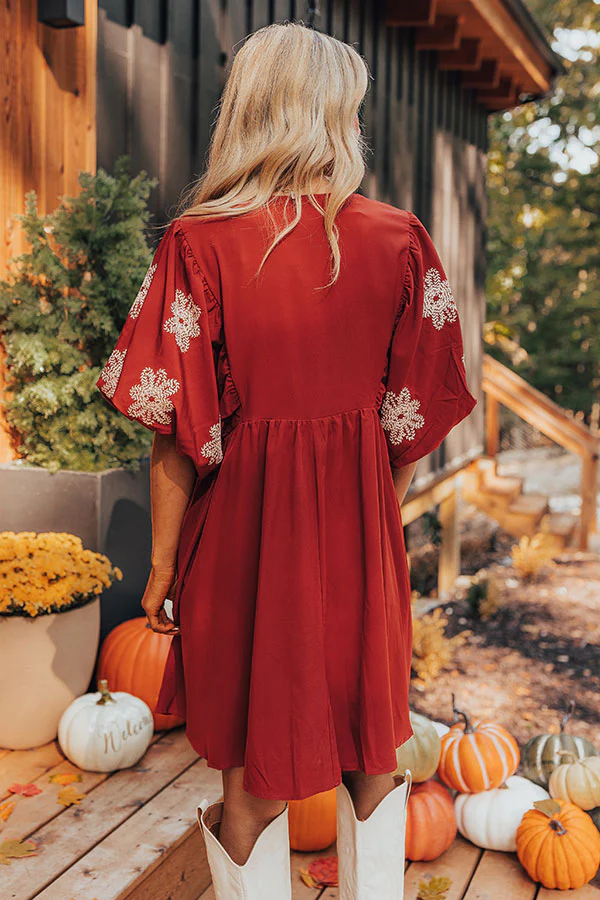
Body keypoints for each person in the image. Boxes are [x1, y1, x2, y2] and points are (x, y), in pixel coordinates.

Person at [96, 20, 477, 900]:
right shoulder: (400, 240)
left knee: (250, 786)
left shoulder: (200, 243)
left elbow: (172, 428)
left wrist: (160, 566)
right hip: (362, 542)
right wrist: (367, 511)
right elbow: (411, 422)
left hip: (240, 543)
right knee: (373, 762)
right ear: (334, 115)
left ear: (250, 110)